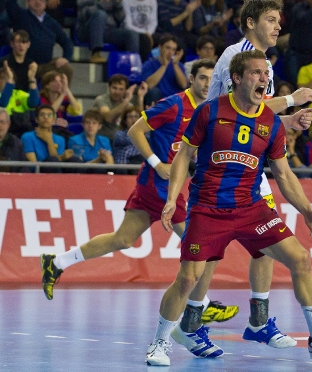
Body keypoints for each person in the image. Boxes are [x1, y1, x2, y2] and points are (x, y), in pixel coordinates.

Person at [151, 49, 312, 366]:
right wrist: (171, 198)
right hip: (208, 208)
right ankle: (160, 343)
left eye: (266, 74)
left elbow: (284, 175)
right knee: (188, 278)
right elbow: (183, 156)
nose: (264, 78)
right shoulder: (210, 112)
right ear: (236, 78)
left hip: (251, 208)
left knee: (300, 259)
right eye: (257, 73)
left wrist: (306, 209)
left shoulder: (271, 124)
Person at [40, 60, 239, 350]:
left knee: (122, 239)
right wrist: (157, 163)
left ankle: (56, 262)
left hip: (169, 184)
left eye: (212, 79)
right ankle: (202, 305)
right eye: (203, 78)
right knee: (200, 239)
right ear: (192, 79)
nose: (208, 84)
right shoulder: (173, 104)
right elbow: (135, 130)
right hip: (157, 183)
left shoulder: (207, 110)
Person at [204, 0, 312, 354]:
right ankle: (188, 324)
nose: (278, 26)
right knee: (206, 256)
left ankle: (259, 321)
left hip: (249, 167)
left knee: (265, 244)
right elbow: (235, 111)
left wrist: (288, 122)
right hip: (218, 166)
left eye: (279, 21)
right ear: (250, 22)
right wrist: (290, 99)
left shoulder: (264, 62)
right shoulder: (236, 56)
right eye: (271, 20)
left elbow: (254, 121)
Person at [1, 0, 74, 83]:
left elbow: (67, 42)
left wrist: (65, 58)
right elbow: (10, 3)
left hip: (45, 65)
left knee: (66, 69)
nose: (38, 2)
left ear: (46, 4)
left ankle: (61, 95)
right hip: (23, 63)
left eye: (42, 0)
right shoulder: (20, 15)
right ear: (27, 2)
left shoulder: (52, 23)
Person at [20, 104, 81, 170]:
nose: (46, 117)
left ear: (54, 120)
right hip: (38, 173)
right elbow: (33, 166)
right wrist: (60, 157)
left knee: (75, 160)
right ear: (36, 119)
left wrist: (49, 140)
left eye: (49, 115)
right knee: (52, 159)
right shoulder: (27, 137)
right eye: (42, 115)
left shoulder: (60, 139)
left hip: (56, 172)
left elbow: (58, 165)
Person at [93, 74, 148, 141]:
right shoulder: (101, 100)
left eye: (121, 89)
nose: (117, 92)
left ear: (125, 90)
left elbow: (138, 121)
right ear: (109, 88)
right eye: (114, 88)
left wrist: (140, 97)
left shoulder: (128, 105)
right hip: (104, 140)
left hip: (121, 141)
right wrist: (127, 100)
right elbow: (108, 118)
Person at [142, 34, 188, 106]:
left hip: (175, 101)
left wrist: (175, 65)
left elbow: (184, 85)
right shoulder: (149, 64)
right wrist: (164, 66)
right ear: (160, 47)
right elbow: (149, 85)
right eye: (168, 48)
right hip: (158, 100)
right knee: (154, 92)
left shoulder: (178, 65)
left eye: (173, 49)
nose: (170, 52)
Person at [0, 60, 39, 138]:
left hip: (23, 131)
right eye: (3, 78)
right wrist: (10, 80)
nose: (6, 81)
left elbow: (33, 103)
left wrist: (31, 79)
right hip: (4, 130)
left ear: (14, 82)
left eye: (9, 78)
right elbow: (3, 104)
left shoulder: (19, 94)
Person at [0, 107, 28, 173]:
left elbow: (24, 168)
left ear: (8, 124)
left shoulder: (17, 143)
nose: (0, 125)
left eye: (2, 122)